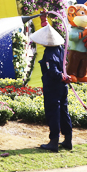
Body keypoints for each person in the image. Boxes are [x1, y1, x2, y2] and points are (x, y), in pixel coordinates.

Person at [30, 22, 73, 152]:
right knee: (63, 112)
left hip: (53, 87)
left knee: (53, 113)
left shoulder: (49, 52)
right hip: (62, 87)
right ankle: (68, 140)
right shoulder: (60, 48)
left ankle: (54, 141)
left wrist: (61, 76)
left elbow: (53, 71)